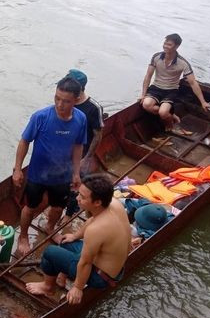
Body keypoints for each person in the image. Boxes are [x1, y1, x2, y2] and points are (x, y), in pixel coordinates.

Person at [25, 174, 131, 304]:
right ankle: (62, 277)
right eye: (79, 193)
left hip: (101, 276)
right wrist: (75, 236)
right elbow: (92, 219)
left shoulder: (97, 230)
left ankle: (47, 287)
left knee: (50, 252)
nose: (77, 198)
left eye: (83, 197)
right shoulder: (114, 205)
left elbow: (85, 262)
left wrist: (78, 288)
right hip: (109, 264)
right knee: (65, 241)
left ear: (97, 202)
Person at [13, 77, 87, 256]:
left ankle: (50, 227)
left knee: (57, 207)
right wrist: (17, 169)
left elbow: (78, 146)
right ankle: (23, 237)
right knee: (30, 206)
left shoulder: (81, 119)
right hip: (38, 174)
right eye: (57, 98)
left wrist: (76, 173)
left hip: (62, 175)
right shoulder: (41, 117)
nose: (60, 104)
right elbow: (24, 141)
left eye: (66, 101)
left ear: (76, 100)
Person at [60, 69, 104, 224]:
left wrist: (87, 158)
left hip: (81, 154)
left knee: (75, 185)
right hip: (63, 152)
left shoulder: (93, 108)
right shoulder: (64, 101)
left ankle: (68, 214)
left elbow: (98, 135)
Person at [140, 33, 210, 130]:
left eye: (169, 44)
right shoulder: (156, 57)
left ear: (177, 46)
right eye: (165, 43)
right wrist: (143, 95)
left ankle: (169, 124)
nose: (165, 46)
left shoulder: (183, 63)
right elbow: (148, 76)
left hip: (171, 90)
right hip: (156, 88)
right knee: (146, 105)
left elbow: (193, 82)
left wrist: (203, 102)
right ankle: (172, 116)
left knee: (163, 113)